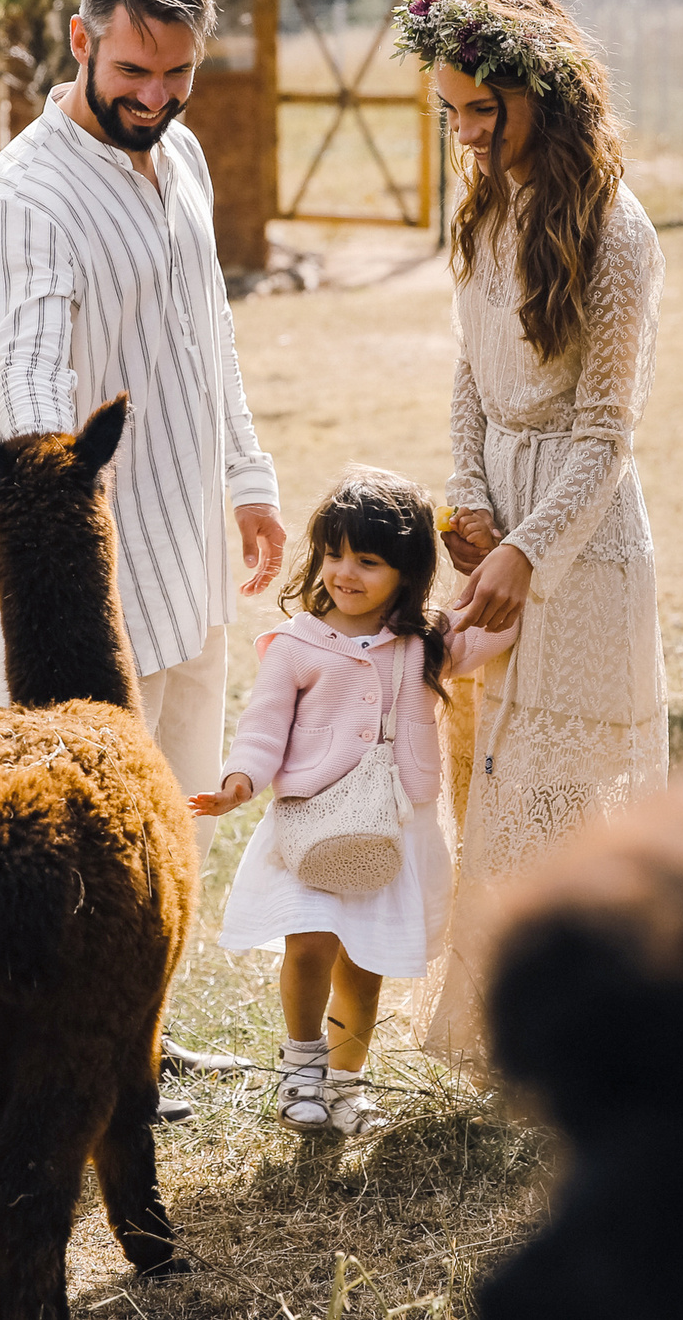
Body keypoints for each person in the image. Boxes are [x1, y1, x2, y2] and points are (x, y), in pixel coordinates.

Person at [0, 0, 286, 1099]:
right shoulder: (27, 191)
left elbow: (208, 331)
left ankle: (139, 1035)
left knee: (173, 823)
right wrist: (60, 512)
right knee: (78, 842)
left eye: (177, 75)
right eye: (134, 73)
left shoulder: (181, 154)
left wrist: (249, 479)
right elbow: (30, 372)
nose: (154, 97)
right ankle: (67, 1068)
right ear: (82, 38)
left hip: (189, 546)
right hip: (81, 580)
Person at [391, 0, 671, 1066]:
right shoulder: (487, 202)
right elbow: (471, 370)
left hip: (580, 541)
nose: (462, 132)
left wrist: (524, 547)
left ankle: (592, 1040)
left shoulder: (617, 233)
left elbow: (606, 430)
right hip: (494, 519)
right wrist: (467, 495)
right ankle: (504, 1029)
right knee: (488, 782)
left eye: (478, 110)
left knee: (564, 800)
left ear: (538, 97)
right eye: (449, 111)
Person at [190, 468, 509, 1133]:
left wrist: (501, 559)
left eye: (368, 561)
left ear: (406, 572)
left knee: (364, 969)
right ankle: (301, 1072)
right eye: (334, 554)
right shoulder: (299, 643)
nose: (345, 572)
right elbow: (263, 724)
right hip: (313, 824)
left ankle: (347, 1084)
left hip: (395, 830)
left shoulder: (425, 643)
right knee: (308, 950)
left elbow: (496, 632)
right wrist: (239, 782)